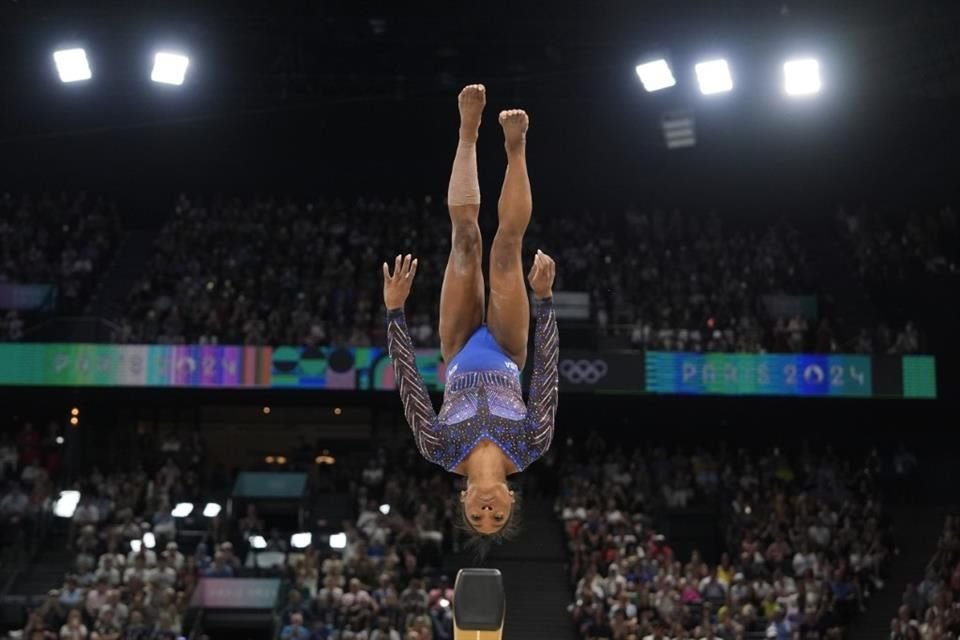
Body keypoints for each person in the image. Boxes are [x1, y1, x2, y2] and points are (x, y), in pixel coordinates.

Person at [383, 84, 558, 549]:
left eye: (477, 518)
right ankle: (516, 148)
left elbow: (408, 383)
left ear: (462, 503)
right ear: (511, 502)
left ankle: (467, 133)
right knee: (504, 251)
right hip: (506, 347)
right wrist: (544, 300)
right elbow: (546, 378)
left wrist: (395, 312)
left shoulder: (438, 448)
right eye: (496, 517)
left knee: (464, 239)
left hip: (458, 348)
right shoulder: (532, 443)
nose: (486, 512)